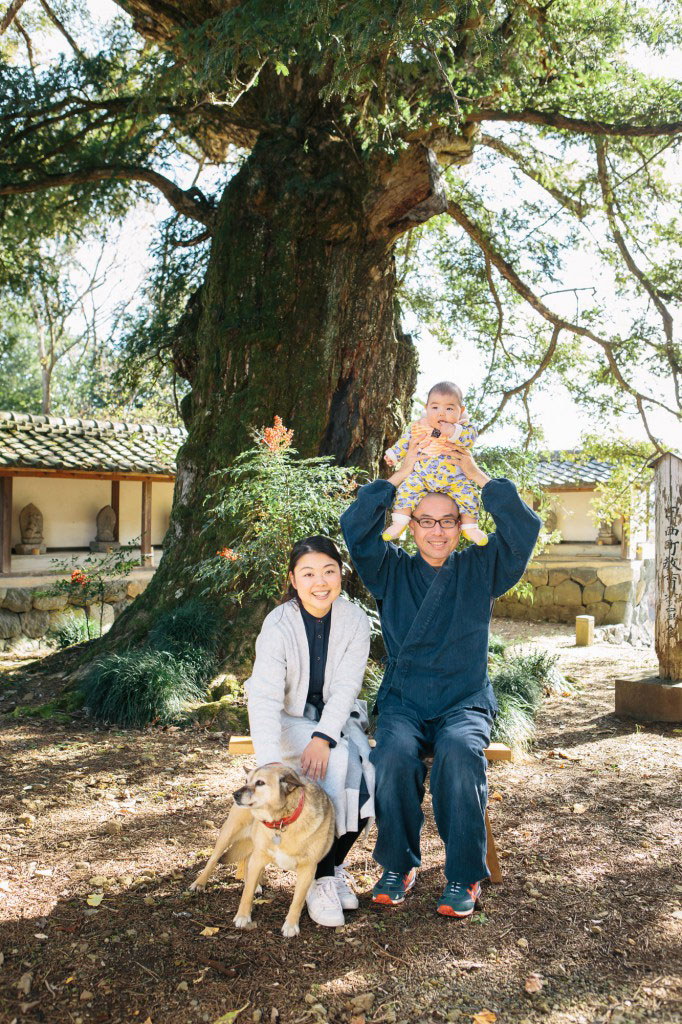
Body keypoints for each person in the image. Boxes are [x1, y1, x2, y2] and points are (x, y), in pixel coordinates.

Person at [341, 435, 541, 917]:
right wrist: (401, 474)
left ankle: (464, 875)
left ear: (460, 525)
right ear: (410, 527)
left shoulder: (481, 567)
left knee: (459, 753)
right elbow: (354, 528)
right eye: (425, 521)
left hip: (463, 700)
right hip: (405, 702)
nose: (436, 532)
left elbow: (523, 529)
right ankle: (399, 864)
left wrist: (475, 474)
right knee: (390, 754)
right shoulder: (390, 571)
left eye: (446, 522)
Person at [246, 536, 374, 928]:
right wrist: (269, 760)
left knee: (369, 777)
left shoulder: (355, 620)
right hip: (287, 720)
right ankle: (321, 879)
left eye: (329, 571)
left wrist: (323, 736)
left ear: (342, 574)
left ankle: (328, 869)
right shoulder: (278, 624)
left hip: (335, 718)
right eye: (308, 573)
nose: (320, 581)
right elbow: (265, 697)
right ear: (293, 579)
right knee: (336, 761)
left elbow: (345, 689)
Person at [382, 381, 487, 546]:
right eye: (435, 407)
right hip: (422, 477)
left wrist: (453, 432)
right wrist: (394, 455)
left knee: (469, 494)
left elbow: (469, 439)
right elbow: (406, 441)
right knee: (406, 489)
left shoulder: (463, 427)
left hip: (455, 479)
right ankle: (399, 523)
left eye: (449, 408)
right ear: (426, 408)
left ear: (461, 411)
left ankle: (469, 527)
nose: (441, 413)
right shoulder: (420, 426)